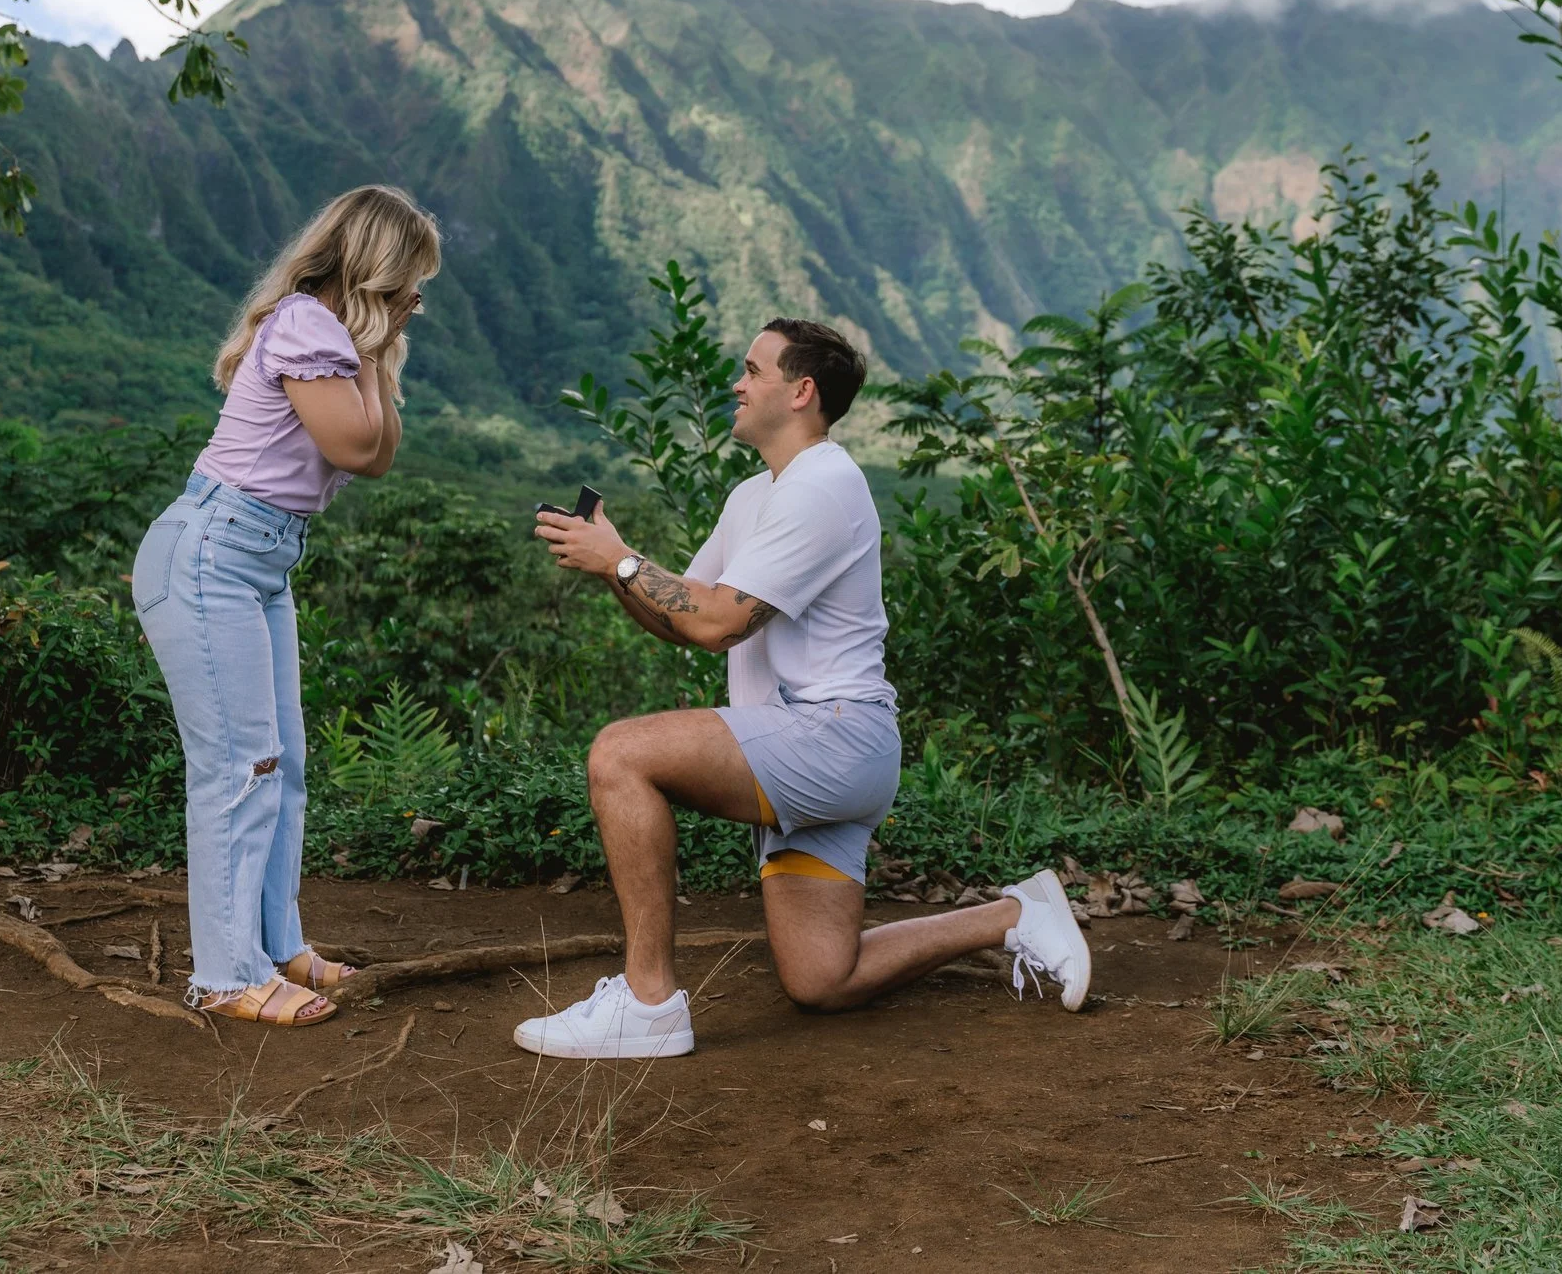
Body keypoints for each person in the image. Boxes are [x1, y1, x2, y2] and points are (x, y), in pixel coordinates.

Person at [516, 317, 1091, 1058]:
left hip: (833, 738)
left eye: (753, 370)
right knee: (824, 978)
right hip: (812, 750)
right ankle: (1016, 913)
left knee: (619, 754)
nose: (737, 382)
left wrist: (623, 561)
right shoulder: (756, 495)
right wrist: (610, 564)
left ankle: (647, 1002)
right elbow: (680, 615)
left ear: (801, 392)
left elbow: (719, 622)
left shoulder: (826, 483)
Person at [132, 185, 441, 1027]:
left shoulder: (341, 339)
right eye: (413, 277)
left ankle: (276, 946)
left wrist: (382, 341)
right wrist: (379, 341)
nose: (421, 295)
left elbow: (377, 456)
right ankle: (227, 976)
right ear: (380, 265)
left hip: (260, 559)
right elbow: (354, 443)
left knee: (283, 767)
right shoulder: (307, 322)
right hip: (213, 553)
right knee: (241, 768)